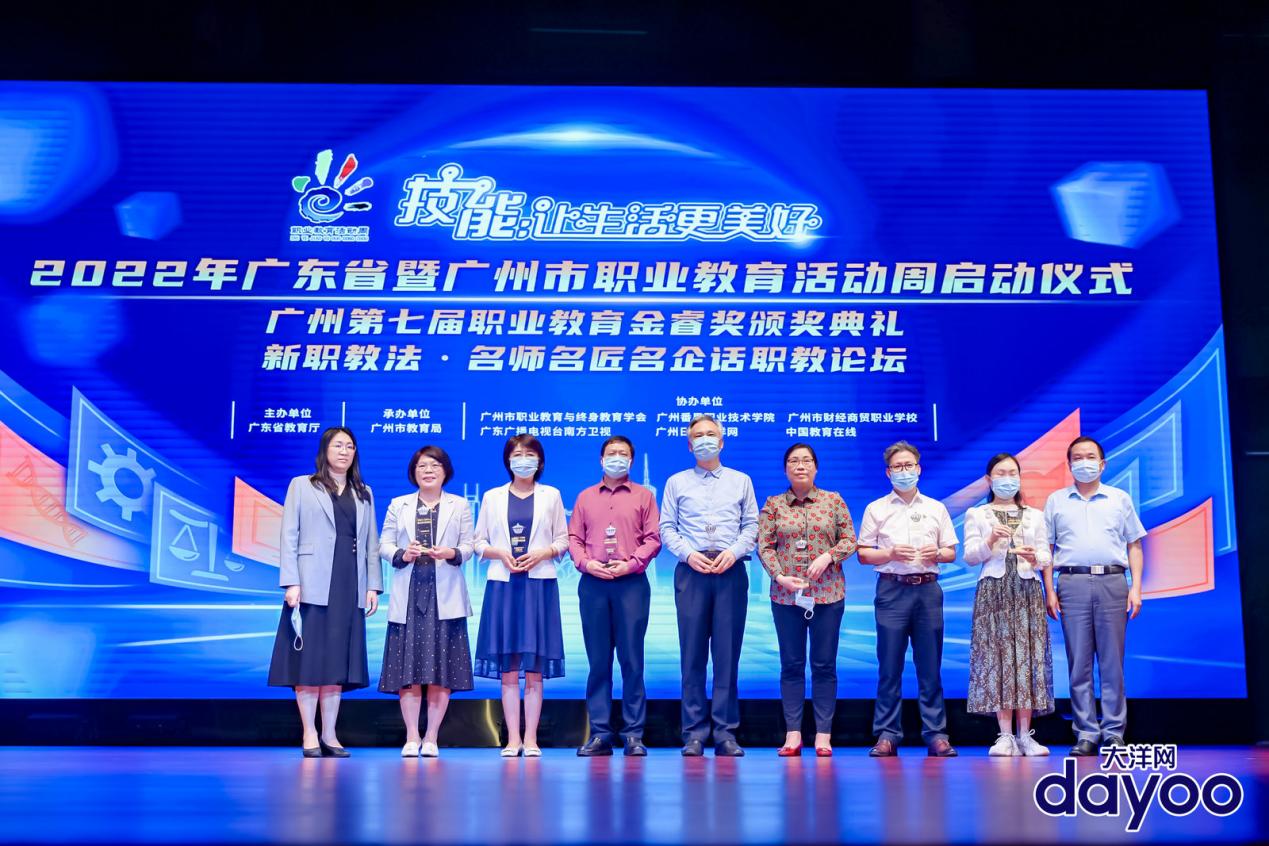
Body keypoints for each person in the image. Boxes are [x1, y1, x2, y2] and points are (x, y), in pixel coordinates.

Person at [268, 426, 381, 758]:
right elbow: (289, 535)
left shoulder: (364, 492)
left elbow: (371, 543)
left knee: (336, 663)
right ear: (325, 451)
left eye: (350, 446)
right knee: (308, 661)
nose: (344, 451)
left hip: (349, 583)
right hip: (311, 583)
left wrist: (372, 585)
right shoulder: (302, 485)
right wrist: (291, 581)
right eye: (338, 446)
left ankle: (330, 734)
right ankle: (309, 732)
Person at [659, 413, 758, 757]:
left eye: (710, 434)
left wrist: (734, 552)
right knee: (692, 656)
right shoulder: (676, 482)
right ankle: (694, 733)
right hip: (692, 571)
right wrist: (688, 555)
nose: (705, 440)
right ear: (689, 446)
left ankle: (726, 732)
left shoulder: (741, 480)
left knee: (727, 656)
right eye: (698, 436)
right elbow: (667, 527)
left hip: (731, 570)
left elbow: (752, 525)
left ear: (722, 441)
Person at [1043, 436, 1146, 757]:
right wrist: (1049, 590)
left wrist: (1136, 587)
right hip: (1071, 583)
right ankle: (1086, 733)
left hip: (1113, 581)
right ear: (1069, 464)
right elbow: (1047, 549)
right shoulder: (1056, 501)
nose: (1083, 462)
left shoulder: (1119, 499)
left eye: (1090, 457)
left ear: (1102, 464)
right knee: (1079, 663)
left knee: (1112, 662)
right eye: (1077, 457)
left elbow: (1134, 544)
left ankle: (1114, 732)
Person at [857, 441, 958, 758]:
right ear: (888, 473)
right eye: (897, 467)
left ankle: (936, 734)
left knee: (930, 667)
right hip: (892, 590)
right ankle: (887, 734)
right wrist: (889, 553)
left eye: (909, 465)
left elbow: (951, 552)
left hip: (928, 590)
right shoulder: (876, 508)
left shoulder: (936, 508)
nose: (904, 471)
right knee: (889, 667)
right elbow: (863, 554)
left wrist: (937, 553)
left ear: (919, 469)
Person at [758, 443, 857, 757]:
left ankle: (823, 735)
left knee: (824, 665)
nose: (800, 466)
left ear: (816, 467)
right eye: (793, 461)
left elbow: (850, 540)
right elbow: (764, 546)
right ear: (785, 468)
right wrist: (779, 576)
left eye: (806, 461)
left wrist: (828, 556)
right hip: (786, 597)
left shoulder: (833, 500)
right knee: (791, 665)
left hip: (828, 595)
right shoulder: (774, 504)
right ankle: (793, 734)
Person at [473, 434, 569, 757]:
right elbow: (478, 542)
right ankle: (513, 738)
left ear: (539, 461)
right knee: (509, 668)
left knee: (535, 669)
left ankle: (531, 739)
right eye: (517, 454)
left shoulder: (552, 495)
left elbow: (563, 540)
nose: (523, 460)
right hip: (504, 586)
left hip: (538, 586)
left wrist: (543, 553)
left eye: (530, 454)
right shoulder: (492, 497)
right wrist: (499, 553)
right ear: (508, 460)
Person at [378, 445, 476, 758]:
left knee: (441, 668)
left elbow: (469, 546)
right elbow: (384, 543)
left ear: (445, 471)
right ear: (413, 472)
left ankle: (431, 736)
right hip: (409, 594)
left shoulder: (459, 505)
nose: (428, 471)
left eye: (434, 465)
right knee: (406, 668)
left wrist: (451, 553)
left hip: (444, 594)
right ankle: (411, 735)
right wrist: (401, 554)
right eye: (422, 466)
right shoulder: (399, 504)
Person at [569, 436, 662, 757]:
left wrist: (631, 564)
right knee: (598, 662)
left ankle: (634, 734)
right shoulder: (585, 497)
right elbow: (574, 538)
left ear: (631, 461)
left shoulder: (644, 496)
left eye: (623, 454)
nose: (617, 458)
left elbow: (653, 539)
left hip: (631, 584)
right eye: (611, 453)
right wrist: (587, 563)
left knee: (632, 661)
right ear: (601, 459)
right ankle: (600, 734)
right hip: (593, 584)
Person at [963, 453, 1055, 757]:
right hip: (994, 590)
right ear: (989, 479)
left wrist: (1034, 557)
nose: (1007, 479)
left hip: (1027, 590)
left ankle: (1025, 736)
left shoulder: (1035, 515)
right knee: (998, 658)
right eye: (1000, 474)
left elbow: (1046, 556)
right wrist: (990, 540)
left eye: (1012, 473)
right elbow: (970, 556)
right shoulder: (978, 514)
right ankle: (1004, 736)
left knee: (1027, 658)